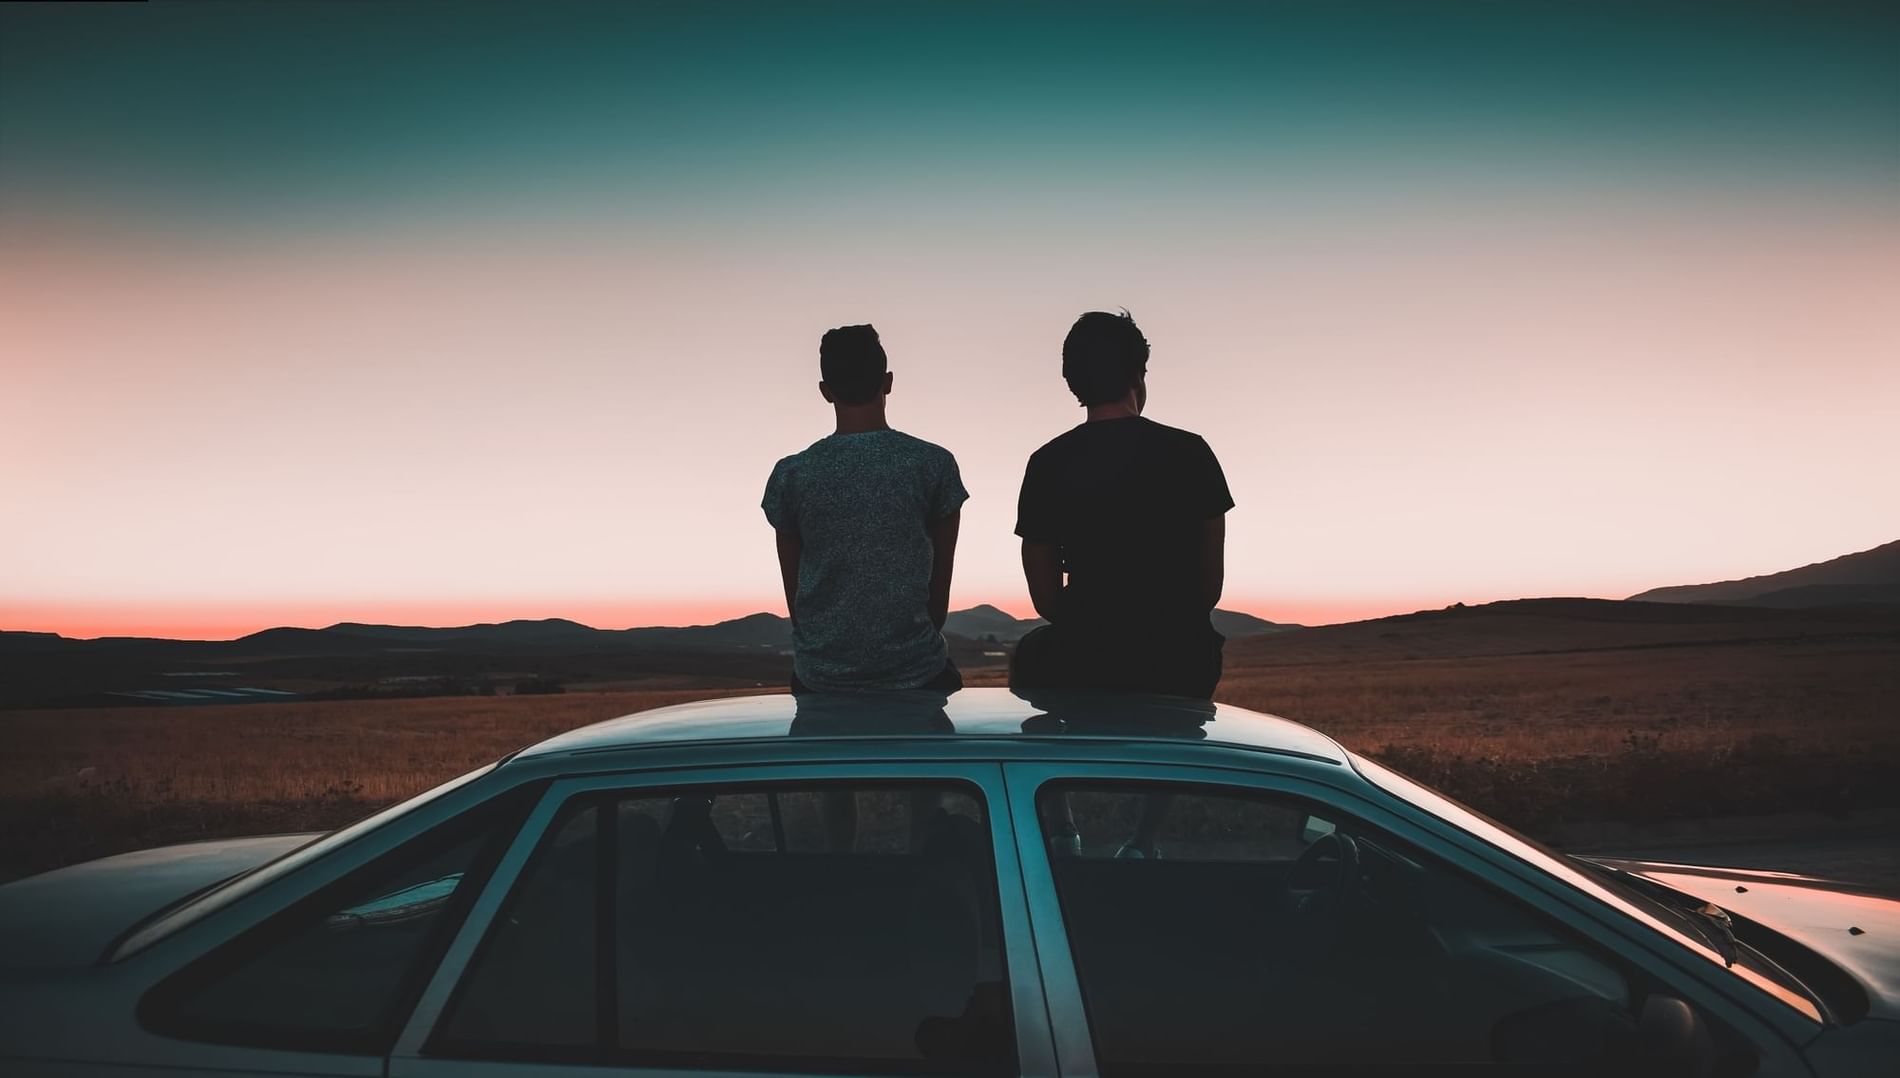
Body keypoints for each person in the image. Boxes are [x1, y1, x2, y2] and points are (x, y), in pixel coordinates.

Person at [1011, 309, 1233, 699]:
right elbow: (1209, 587)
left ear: (1072, 383)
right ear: (1138, 375)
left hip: (1086, 658)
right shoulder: (1191, 451)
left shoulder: (1047, 463)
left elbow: (1045, 597)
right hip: (1182, 660)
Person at [763, 323, 968, 694]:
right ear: (887, 382)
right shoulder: (933, 464)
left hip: (820, 678)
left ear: (826, 392)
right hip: (918, 672)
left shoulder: (791, 475)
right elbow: (938, 591)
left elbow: (796, 595)